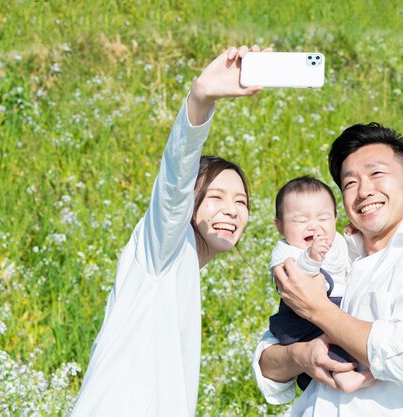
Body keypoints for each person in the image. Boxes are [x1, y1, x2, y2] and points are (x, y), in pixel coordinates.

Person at [72, 44, 269, 417]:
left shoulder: (182, 270)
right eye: (216, 197)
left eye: (241, 202)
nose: (232, 210)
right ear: (189, 206)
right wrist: (200, 99)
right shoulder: (164, 249)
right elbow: (175, 179)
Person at [252, 123, 403, 416]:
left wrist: (319, 309)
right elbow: (268, 369)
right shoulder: (339, 265)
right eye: (349, 184)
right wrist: (301, 355)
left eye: (376, 174)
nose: (363, 191)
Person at [268, 176, 375, 393]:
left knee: (348, 336)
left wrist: (353, 241)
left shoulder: (334, 242)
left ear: (335, 219)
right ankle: (345, 377)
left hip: (335, 305)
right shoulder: (286, 251)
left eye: (323, 218)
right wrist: (311, 258)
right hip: (301, 318)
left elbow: (349, 265)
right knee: (328, 345)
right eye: (300, 220)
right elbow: (296, 283)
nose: (313, 226)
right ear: (279, 225)